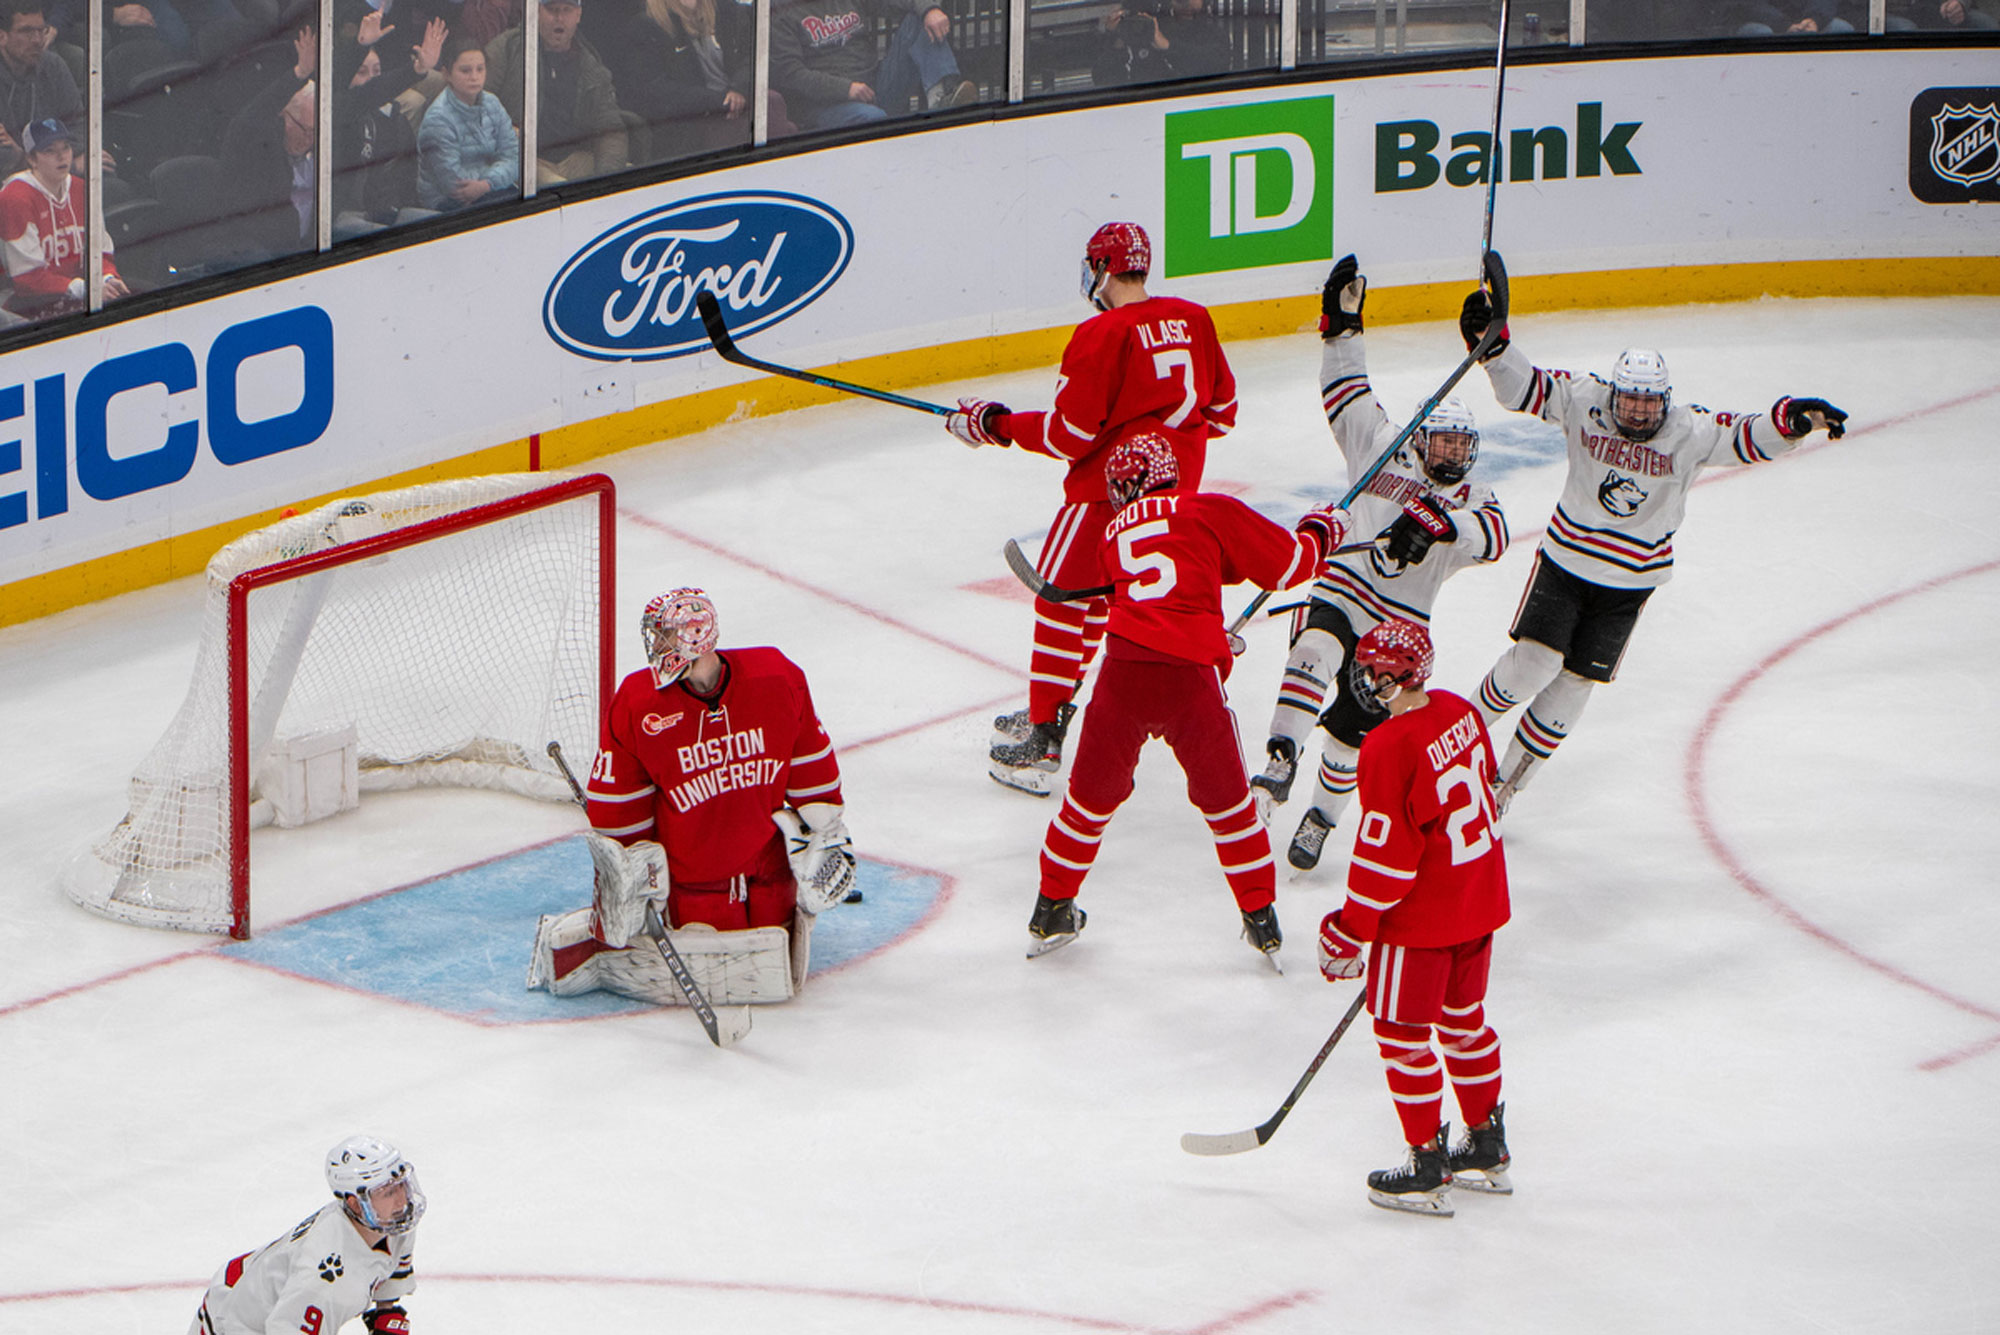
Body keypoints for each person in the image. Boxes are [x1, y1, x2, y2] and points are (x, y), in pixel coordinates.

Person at [1457, 284, 1849, 813]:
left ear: (1664, 400)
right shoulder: (1584, 399)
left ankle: (1504, 787)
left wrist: (1792, 421)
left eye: (1649, 401)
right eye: (1631, 399)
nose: (1639, 412)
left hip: (1629, 583)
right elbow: (1524, 390)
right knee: (1533, 662)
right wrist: (1495, 347)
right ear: (1614, 393)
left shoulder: (1688, 429)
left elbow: (1746, 437)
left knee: (1574, 685)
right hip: (1566, 564)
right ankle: (1455, 740)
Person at [1024, 433, 1350, 968]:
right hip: (1189, 683)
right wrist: (1321, 530)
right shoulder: (1207, 509)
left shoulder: (1111, 534)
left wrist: (1210, 632)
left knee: (1087, 803)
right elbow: (1289, 566)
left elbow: (1160, 585)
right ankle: (1261, 918)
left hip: (1122, 678)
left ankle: (1051, 906)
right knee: (1230, 809)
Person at [948, 221, 1239, 795]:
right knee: (1103, 606)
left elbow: (1067, 437)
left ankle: (1041, 738)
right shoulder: (1195, 318)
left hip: (1105, 498)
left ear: (1102, 267)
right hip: (1176, 502)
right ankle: (1050, 712)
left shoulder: (1101, 333)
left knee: (1060, 603)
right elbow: (1223, 413)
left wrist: (995, 424)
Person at [1249, 254, 1508, 873]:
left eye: (1460, 446)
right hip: (1343, 588)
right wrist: (1343, 327)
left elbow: (1493, 536)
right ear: (1419, 437)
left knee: (1349, 734)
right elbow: (1347, 392)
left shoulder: (1471, 499)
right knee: (1314, 649)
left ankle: (1319, 818)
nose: (1451, 456)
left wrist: (1437, 522)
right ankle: (1281, 755)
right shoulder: (1383, 445)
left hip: (1398, 628)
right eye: (1441, 442)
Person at [526, 587, 857, 1007]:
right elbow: (619, 819)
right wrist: (632, 878)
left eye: (663, 636)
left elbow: (815, 783)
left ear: (692, 637)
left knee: (772, 976)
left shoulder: (776, 678)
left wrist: (825, 837)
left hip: (773, 890)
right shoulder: (638, 704)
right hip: (693, 900)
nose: (655, 645)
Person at [1315, 618, 1512, 1218]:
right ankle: (1485, 1146)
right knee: (1463, 1024)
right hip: (1478, 901)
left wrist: (1350, 930)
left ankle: (1426, 1164)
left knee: (1403, 1035)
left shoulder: (1387, 746)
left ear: (1391, 677)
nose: (1361, 678)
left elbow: (1387, 860)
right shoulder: (1458, 709)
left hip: (1421, 921)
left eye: (1371, 669)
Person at [190, 1134, 422, 1335]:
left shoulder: (393, 1222)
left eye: (401, 1185)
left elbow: (391, 1275)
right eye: (388, 1192)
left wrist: (387, 1313)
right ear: (356, 1204)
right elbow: (285, 1328)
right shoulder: (322, 1278)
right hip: (233, 1321)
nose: (402, 1200)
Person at [610, 0, 794, 163]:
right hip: (693, 120)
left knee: (772, 105)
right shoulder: (645, 26)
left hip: (738, 103)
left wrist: (738, 90)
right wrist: (718, 101)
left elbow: (753, 53)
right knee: (775, 111)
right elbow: (655, 89)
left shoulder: (727, 9)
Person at [768, 0, 975, 132]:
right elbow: (790, 74)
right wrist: (846, 89)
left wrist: (930, 9)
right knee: (874, 120)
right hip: (826, 107)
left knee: (918, 20)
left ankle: (943, 97)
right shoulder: (779, 11)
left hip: (876, 88)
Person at [484, 0, 629, 184]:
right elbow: (475, 102)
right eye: (552, 10)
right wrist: (505, 129)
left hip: (576, 159)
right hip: (523, 160)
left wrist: (607, 179)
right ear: (537, 11)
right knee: (558, 185)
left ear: (578, 15)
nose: (559, 18)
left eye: (566, 10)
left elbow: (611, 128)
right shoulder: (507, 48)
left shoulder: (591, 66)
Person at [0, 116, 127, 317]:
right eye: (49, 151)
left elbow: (101, 252)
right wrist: (87, 290)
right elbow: (27, 280)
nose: (62, 157)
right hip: (25, 303)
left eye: (65, 148)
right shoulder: (14, 198)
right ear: (31, 159)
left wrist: (107, 279)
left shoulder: (82, 188)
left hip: (79, 293)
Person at [416, 35, 520, 211]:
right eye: (465, 71)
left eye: (480, 69)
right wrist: (494, 178)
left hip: (490, 189)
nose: (475, 77)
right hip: (446, 201)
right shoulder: (438, 119)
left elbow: (514, 157)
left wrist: (487, 184)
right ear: (446, 74)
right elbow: (453, 185)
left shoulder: (492, 102)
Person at [0, 0, 85, 178]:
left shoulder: (53, 65)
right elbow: (4, 155)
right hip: (9, 181)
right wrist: (69, 166)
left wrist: (56, 160)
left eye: (41, 30)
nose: (37, 40)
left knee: (109, 181)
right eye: (26, 31)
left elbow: (79, 126)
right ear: (2, 36)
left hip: (54, 169)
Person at [1091, 0, 1231, 86]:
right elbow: (1102, 80)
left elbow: (1217, 66)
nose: (1185, 3)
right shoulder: (1152, 28)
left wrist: (1167, 46)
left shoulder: (1213, 32)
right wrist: (1118, 38)